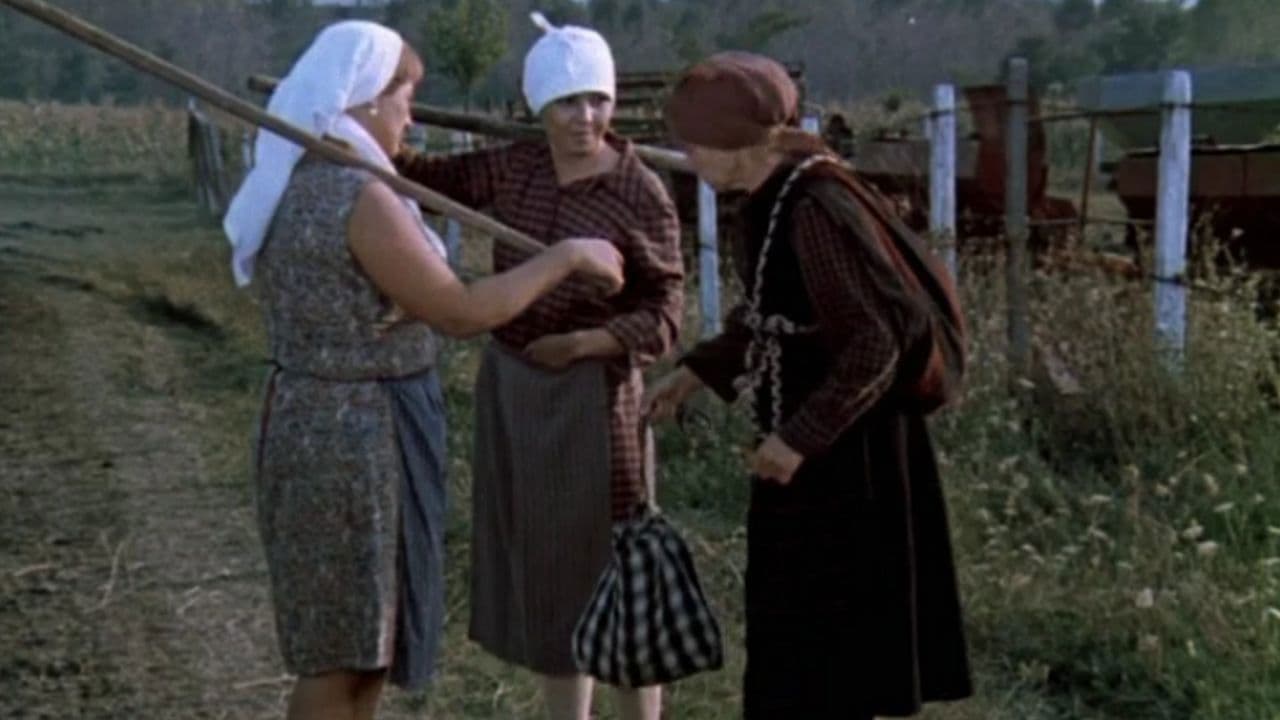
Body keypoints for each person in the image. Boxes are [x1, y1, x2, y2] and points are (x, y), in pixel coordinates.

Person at [221, 21, 625, 720]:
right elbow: (462, 312)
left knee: (360, 646)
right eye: (405, 98)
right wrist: (565, 256)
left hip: (315, 420)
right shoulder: (356, 193)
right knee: (343, 654)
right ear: (366, 98)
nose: (410, 119)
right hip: (354, 440)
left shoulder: (303, 179)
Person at [644, 51, 973, 719]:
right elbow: (776, 308)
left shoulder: (813, 207)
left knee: (826, 653)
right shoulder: (775, 195)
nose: (688, 156)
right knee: (802, 648)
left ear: (735, 140)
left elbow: (879, 338)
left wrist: (799, 438)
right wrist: (697, 371)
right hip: (820, 448)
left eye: (695, 141)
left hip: (851, 457)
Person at [395, 13, 684, 720]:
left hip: (597, 397)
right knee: (553, 574)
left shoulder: (637, 190)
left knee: (619, 567)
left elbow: (665, 312)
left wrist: (586, 344)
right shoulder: (517, 166)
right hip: (519, 390)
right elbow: (427, 179)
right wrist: (359, 132)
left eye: (597, 100)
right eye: (567, 103)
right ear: (538, 107)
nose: (585, 118)